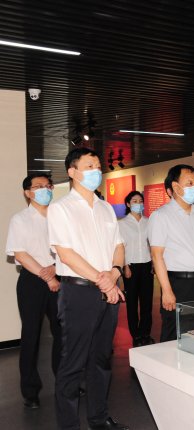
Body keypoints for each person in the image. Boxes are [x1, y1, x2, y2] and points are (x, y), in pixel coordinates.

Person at [47, 147, 128, 430]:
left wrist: (114, 273)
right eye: (89, 166)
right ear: (73, 172)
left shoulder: (106, 207)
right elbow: (66, 253)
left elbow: (119, 245)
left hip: (109, 289)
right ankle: (69, 425)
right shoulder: (60, 208)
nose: (96, 171)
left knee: (101, 359)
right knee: (73, 362)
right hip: (79, 292)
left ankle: (98, 418)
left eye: (98, 165)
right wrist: (102, 280)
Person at [5, 173, 61, 410]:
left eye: (48, 186)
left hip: (59, 275)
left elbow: (68, 248)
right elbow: (20, 253)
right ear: (28, 193)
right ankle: (30, 391)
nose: (45, 190)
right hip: (32, 281)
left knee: (63, 333)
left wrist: (55, 269)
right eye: (39, 187)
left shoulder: (59, 217)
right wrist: (47, 276)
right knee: (31, 335)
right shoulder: (20, 219)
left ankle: (64, 382)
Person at [148, 164, 194, 342]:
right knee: (174, 337)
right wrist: (166, 291)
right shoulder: (161, 216)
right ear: (175, 186)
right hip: (179, 285)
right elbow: (157, 256)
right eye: (189, 183)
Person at [119, 191, 154, 347]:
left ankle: (146, 333)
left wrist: (153, 262)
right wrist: (125, 265)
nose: (138, 203)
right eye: (134, 201)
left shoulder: (148, 222)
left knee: (147, 302)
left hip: (146, 265)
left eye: (140, 201)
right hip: (131, 266)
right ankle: (136, 335)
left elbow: (152, 244)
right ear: (128, 204)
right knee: (132, 303)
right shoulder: (122, 224)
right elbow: (121, 247)